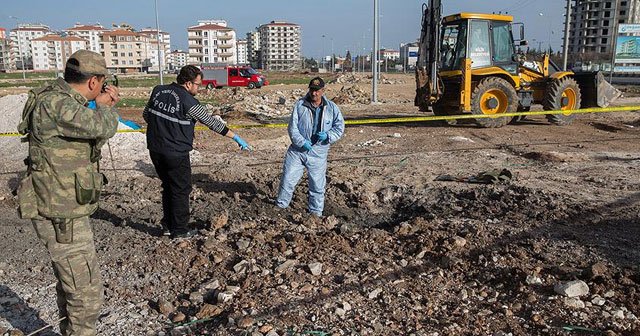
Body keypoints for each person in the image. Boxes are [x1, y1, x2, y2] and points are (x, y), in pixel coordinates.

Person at [16, 50, 120, 335]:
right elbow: (103, 127)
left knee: (72, 284)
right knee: (86, 293)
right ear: (93, 82)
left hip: (61, 205)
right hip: (61, 213)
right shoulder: (58, 104)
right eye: (102, 82)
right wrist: (105, 106)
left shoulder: (54, 98)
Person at [143, 65, 251, 239]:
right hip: (176, 153)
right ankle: (180, 231)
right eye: (197, 84)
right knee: (181, 189)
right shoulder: (189, 102)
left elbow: (147, 115)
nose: (199, 88)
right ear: (187, 84)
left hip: (155, 149)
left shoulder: (158, 91)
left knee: (168, 186)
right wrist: (235, 137)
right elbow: (211, 122)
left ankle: (168, 226)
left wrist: (166, 128)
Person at [276, 77, 345, 217]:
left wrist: (328, 136)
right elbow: (292, 128)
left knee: (317, 186)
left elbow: (339, 127)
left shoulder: (331, 108)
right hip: (298, 150)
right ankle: (280, 207)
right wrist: (301, 142)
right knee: (288, 178)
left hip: (319, 153)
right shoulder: (300, 105)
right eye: (312, 90)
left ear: (323, 91)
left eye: (317, 91)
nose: (314, 94)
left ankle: (316, 214)